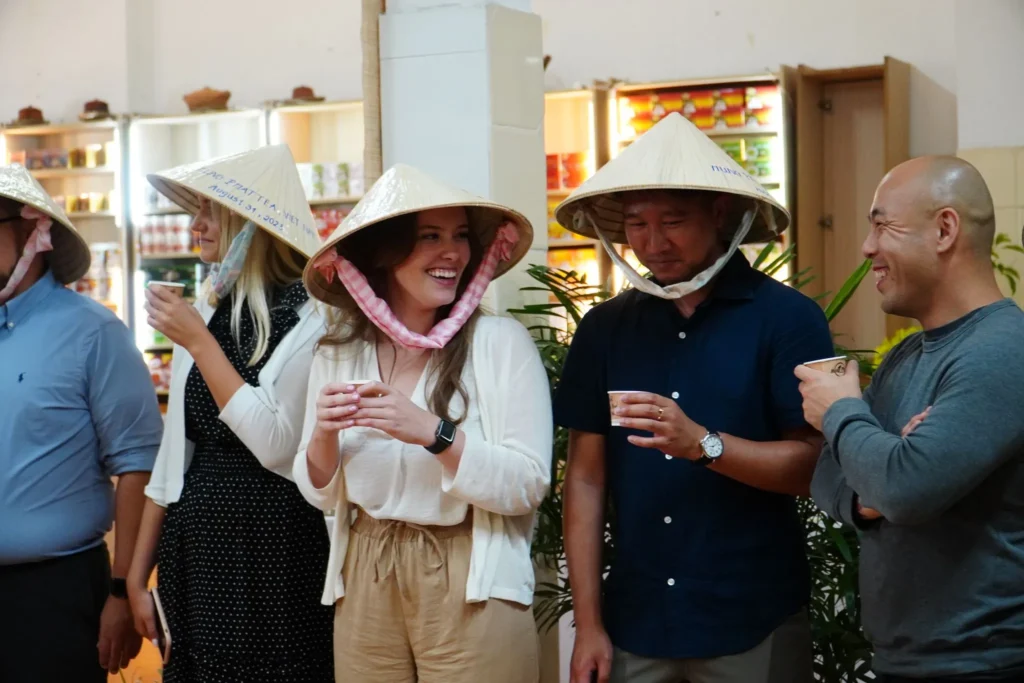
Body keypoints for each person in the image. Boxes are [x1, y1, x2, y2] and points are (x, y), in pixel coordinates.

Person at [552, 112, 834, 683]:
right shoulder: (605, 329)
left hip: (752, 612)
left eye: (673, 221)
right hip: (635, 618)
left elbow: (812, 465)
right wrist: (588, 624)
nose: (653, 244)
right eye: (635, 224)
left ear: (720, 213)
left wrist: (703, 444)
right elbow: (584, 478)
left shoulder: (787, 320)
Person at [294, 163, 552, 683]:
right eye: (429, 236)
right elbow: (319, 492)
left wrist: (434, 434)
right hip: (365, 568)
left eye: (460, 236)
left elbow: (528, 484)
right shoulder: (340, 353)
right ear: (384, 256)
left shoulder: (500, 343)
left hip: (469, 572)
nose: (453, 252)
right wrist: (322, 434)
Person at [801, 155, 1024, 682]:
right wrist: (871, 492)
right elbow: (828, 476)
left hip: (985, 663)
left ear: (945, 229)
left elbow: (907, 487)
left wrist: (840, 409)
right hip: (908, 661)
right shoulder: (907, 356)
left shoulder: (1002, 350)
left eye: (882, 225)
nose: (868, 247)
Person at [125, 145, 334, 683]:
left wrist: (198, 342)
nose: (193, 225)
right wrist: (134, 574)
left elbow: (277, 445)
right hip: (198, 549)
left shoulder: (310, 319)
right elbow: (176, 458)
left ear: (251, 224)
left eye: (208, 210)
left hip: (279, 551)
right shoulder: (213, 307)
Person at [0, 164, 162, 681]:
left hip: (53, 592)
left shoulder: (93, 333)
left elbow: (138, 466)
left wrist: (122, 589)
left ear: (32, 234)